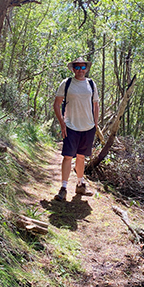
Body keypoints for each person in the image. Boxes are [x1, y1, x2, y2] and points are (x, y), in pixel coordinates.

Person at [53, 56, 99, 201]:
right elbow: (56, 104)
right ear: (73, 69)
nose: (80, 70)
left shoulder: (91, 84)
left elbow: (96, 104)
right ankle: (63, 188)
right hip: (71, 126)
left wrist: (95, 124)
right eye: (77, 67)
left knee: (81, 156)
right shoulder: (66, 84)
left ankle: (80, 184)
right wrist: (62, 123)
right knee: (68, 157)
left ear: (86, 69)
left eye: (82, 67)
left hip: (88, 127)